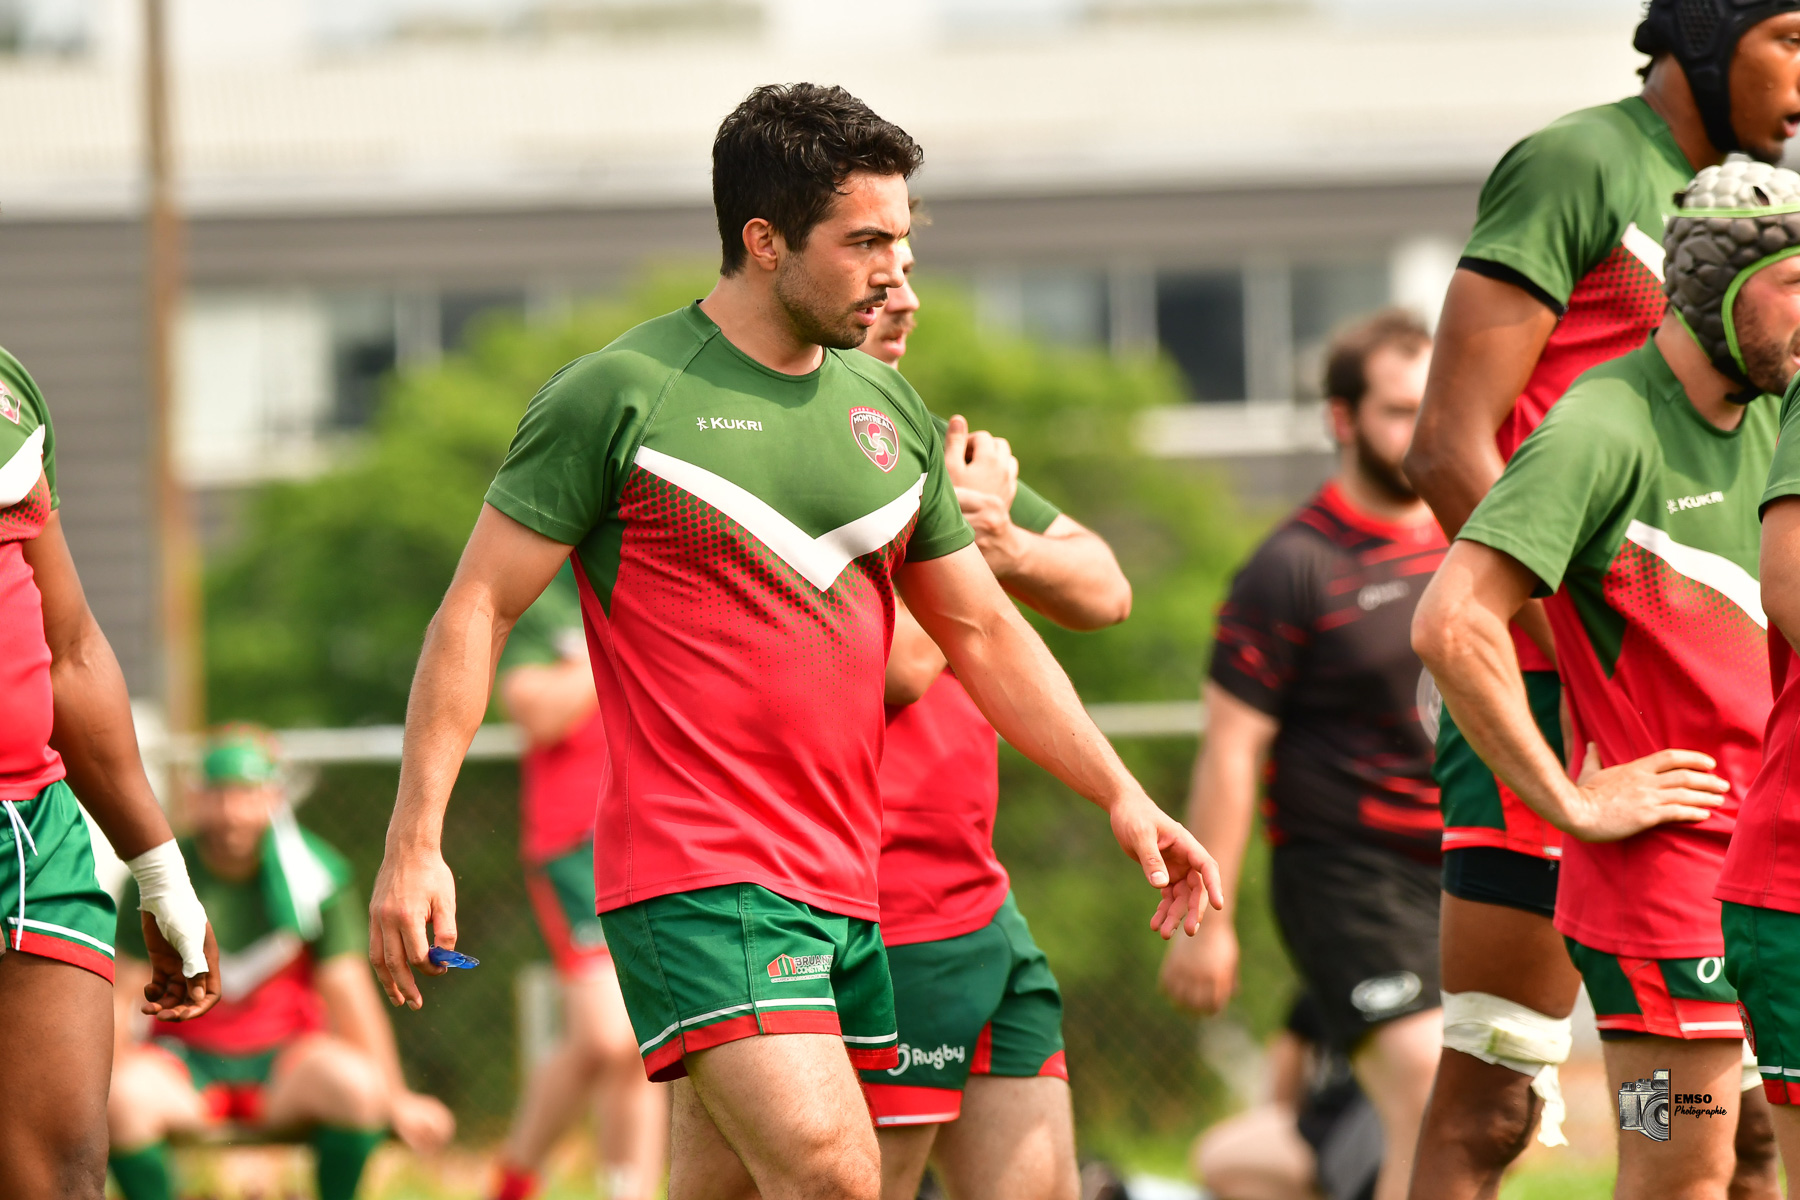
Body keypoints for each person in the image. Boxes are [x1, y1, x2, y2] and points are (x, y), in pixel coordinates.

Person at [365, 82, 1220, 1200]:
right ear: (763, 242)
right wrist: (415, 840)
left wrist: (1121, 793)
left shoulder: (888, 413)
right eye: (865, 242)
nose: (894, 273)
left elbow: (982, 628)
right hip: (700, 876)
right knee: (834, 1175)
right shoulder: (620, 395)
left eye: (902, 241)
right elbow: (474, 610)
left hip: (848, 889)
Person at [1402, 5, 1800, 1192]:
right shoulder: (1582, 162)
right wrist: (1594, 665)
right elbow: (1445, 448)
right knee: (1496, 1092)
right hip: (1550, 697)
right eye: (1789, 38)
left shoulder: (1762, 231)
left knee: (1739, 1137)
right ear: (1706, 39)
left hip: (1703, 737)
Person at [853, 238, 1132, 1200]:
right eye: (878, 277)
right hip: (879, 906)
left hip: (978, 899)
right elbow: (896, 671)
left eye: (909, 276)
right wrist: (971, 529)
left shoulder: (925, 446)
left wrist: (1002, 542)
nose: (906, 303)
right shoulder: (790, 455)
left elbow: (1104, 586)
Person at [1161, 310, 1446, 1200]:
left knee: (1488, 1107)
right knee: (1427, 1088)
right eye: (1399, 410)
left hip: (1466, 871)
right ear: (1342, 419)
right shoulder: (1290, 567)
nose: (1421, 430)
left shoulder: (1472, 542)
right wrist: (1208, 921)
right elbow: (1231, 754)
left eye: (1431, 409)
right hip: (1346, 874)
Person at [0, 345, 219, 1200]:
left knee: (60, 1178)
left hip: (33, 834)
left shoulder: (7, 386)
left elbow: (72, 649)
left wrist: (160, 871)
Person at [107, 726, 455, 1200]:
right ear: (196, 798)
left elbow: (348, 991)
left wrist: (396, 1097)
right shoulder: (161, 874)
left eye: (248, 794)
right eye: (219, 794)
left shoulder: (315, 875)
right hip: (186, 1064)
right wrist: (91, 1084)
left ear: (275, 797)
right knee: (117, 1101)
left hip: (286, 1064)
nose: (232, 812)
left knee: (356, 1089)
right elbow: (118, 992)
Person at [488, 565, 667, 1200]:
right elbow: (536, 711)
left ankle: (625, 1190)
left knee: (639, 1040)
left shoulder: (678, 569)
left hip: (664, 836)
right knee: (605, 1036)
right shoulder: (549, 590)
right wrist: (625, 627)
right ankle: (515, 1176)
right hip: (576, 846)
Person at [1192, 993, 1383, 1200]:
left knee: (1216, 1157)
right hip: (1363, 1131)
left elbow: (1279, 1103)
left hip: (1352, 1132)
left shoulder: (1324, 989)